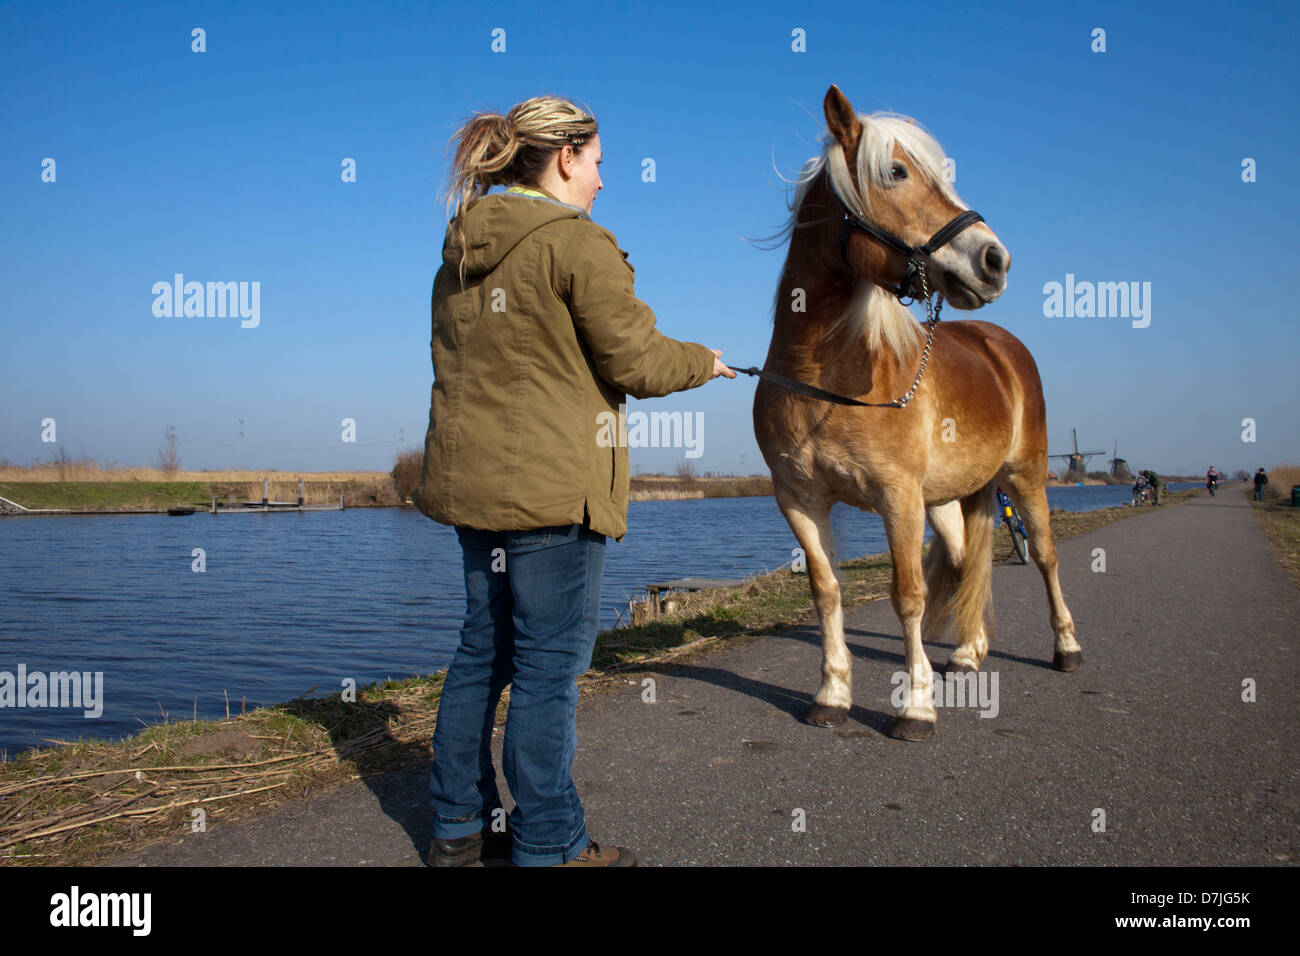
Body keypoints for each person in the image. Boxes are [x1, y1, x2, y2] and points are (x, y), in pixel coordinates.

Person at [411, 95, 735, 868]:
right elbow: (638, 360)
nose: (601, 181)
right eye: (596, 163)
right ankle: (549, 842)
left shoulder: (459, 254)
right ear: (564, 158)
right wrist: (707, 362)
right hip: (554, 493)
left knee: (481, 652)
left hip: (474, 490)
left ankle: (458, 827)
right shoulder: (574, 244)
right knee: (549, 670)